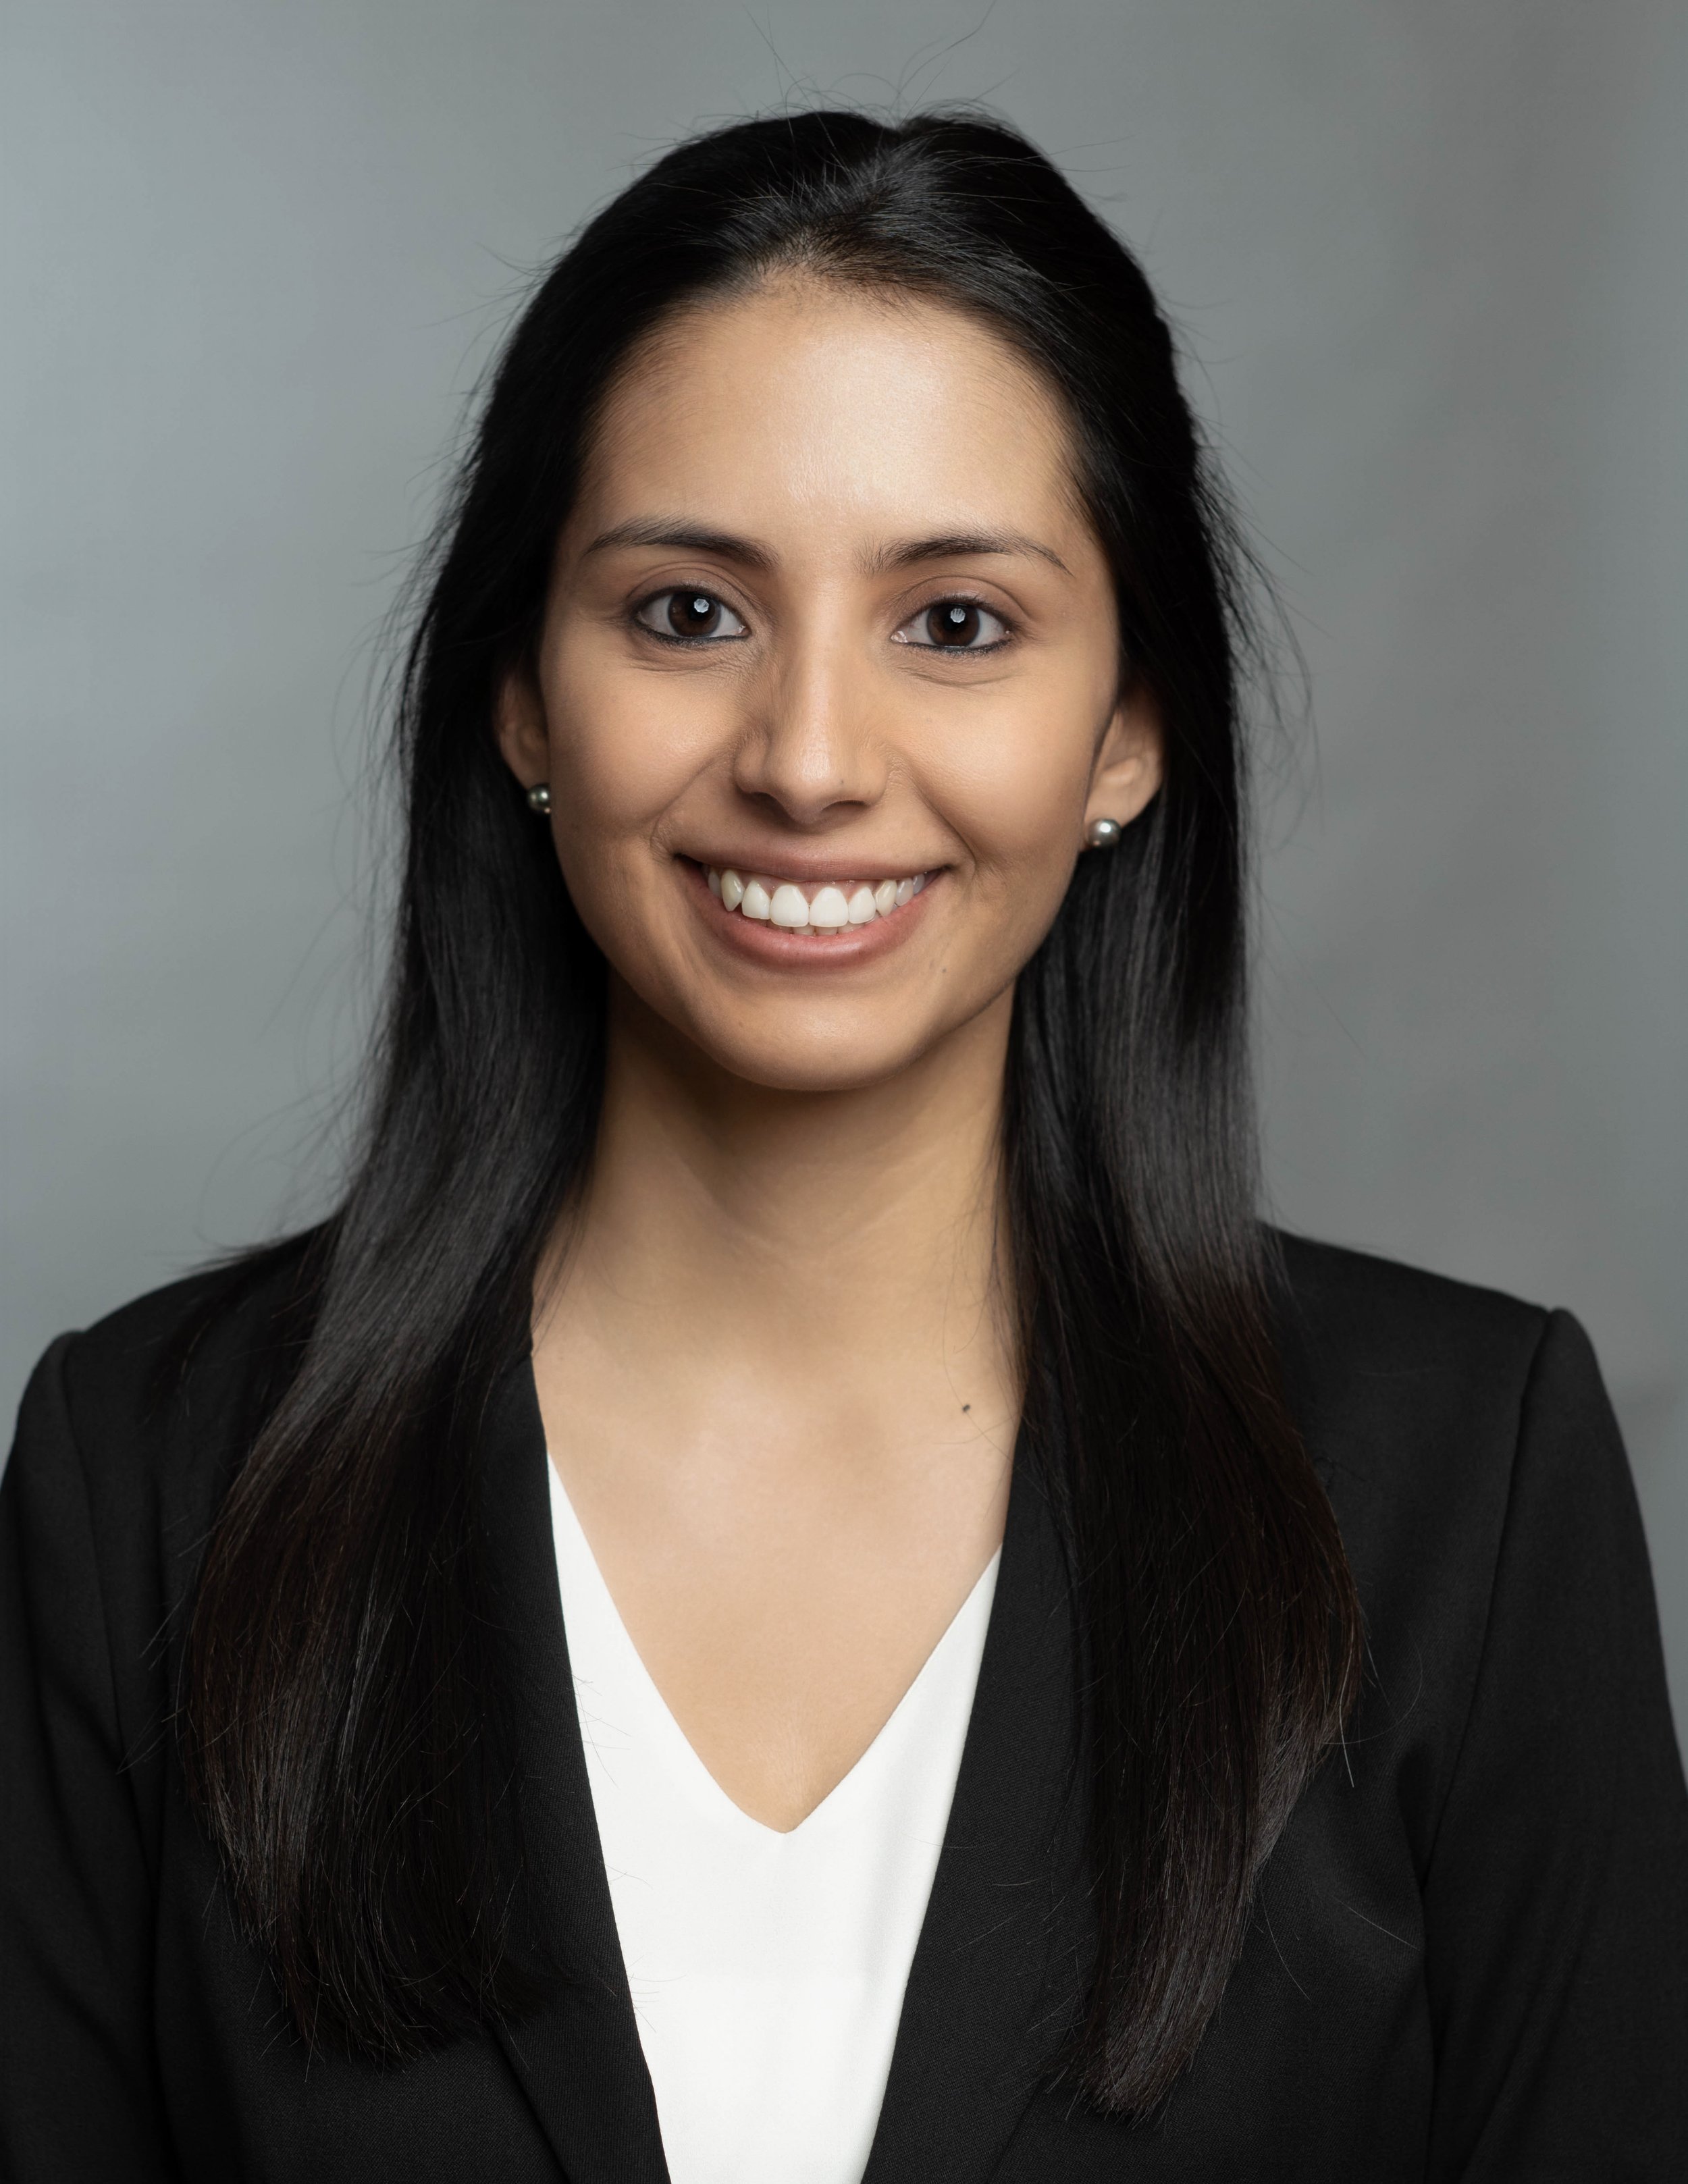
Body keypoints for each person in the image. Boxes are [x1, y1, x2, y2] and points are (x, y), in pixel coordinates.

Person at [3, 108, 1684, 2184]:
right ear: (526, 695)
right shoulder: (149, 1480)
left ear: (1127, 730)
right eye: (688, 613)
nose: (807, 761)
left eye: (954, 624)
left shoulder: (1464, 1490)